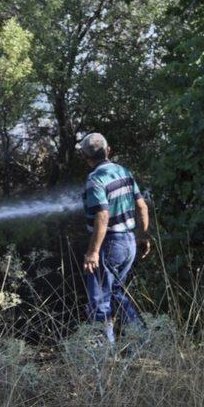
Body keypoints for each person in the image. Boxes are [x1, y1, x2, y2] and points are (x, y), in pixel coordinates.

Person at [77, 133, 151, 344]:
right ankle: (141, 340)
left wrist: (92, 252)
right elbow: (142, 206)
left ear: (85, 156)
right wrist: (143, 235)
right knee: (116, 292)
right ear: (108, 150)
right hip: (128, 243)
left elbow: (102, 215)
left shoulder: (95, 179)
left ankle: (102, 356)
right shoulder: (123, 171)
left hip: (110, 244)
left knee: (99, 299)